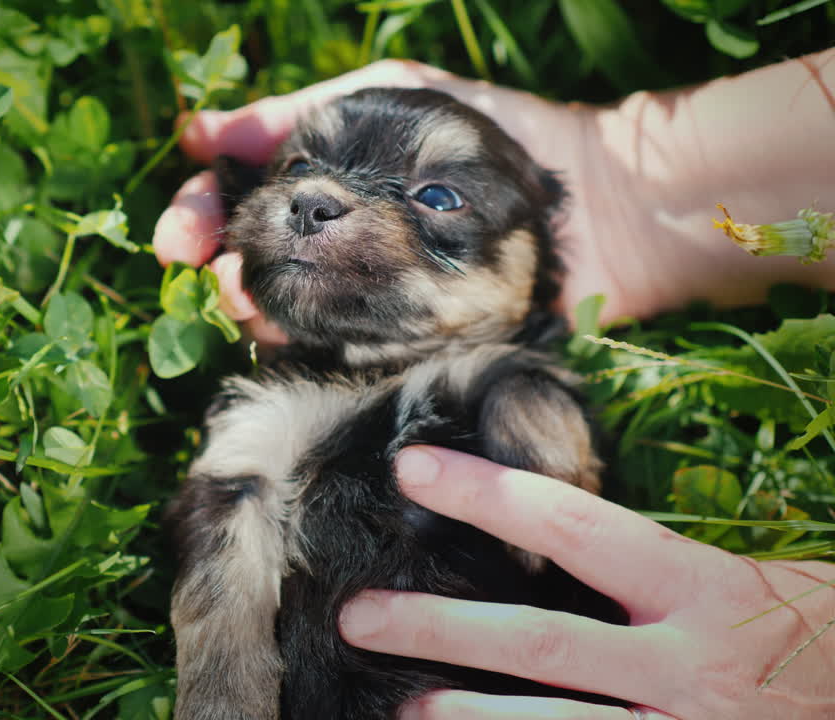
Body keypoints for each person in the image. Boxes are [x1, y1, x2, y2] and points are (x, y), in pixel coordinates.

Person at [152, 52, 835, 719]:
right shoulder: (273, 405)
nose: (315, 196)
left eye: (438, 198)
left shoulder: (514, 388)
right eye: (299, 166)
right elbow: (220, 534)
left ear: (537, 256)